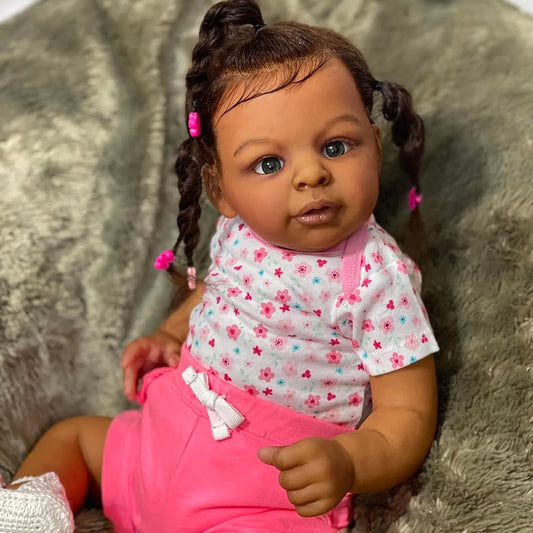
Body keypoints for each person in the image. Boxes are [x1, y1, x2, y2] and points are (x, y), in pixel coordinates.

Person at [0, 1, 439, 531]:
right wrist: (168, 334)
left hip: (258, 492)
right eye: (269, 163)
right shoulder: (240, 229)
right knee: (70, 439)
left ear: (375, 147)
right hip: (160, 440)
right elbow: (218, 289)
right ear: (221, 190)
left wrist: (347, 461)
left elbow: (407, 416)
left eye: (336, 146)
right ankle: (25, 517)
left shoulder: (376, 278)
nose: (310, 174)